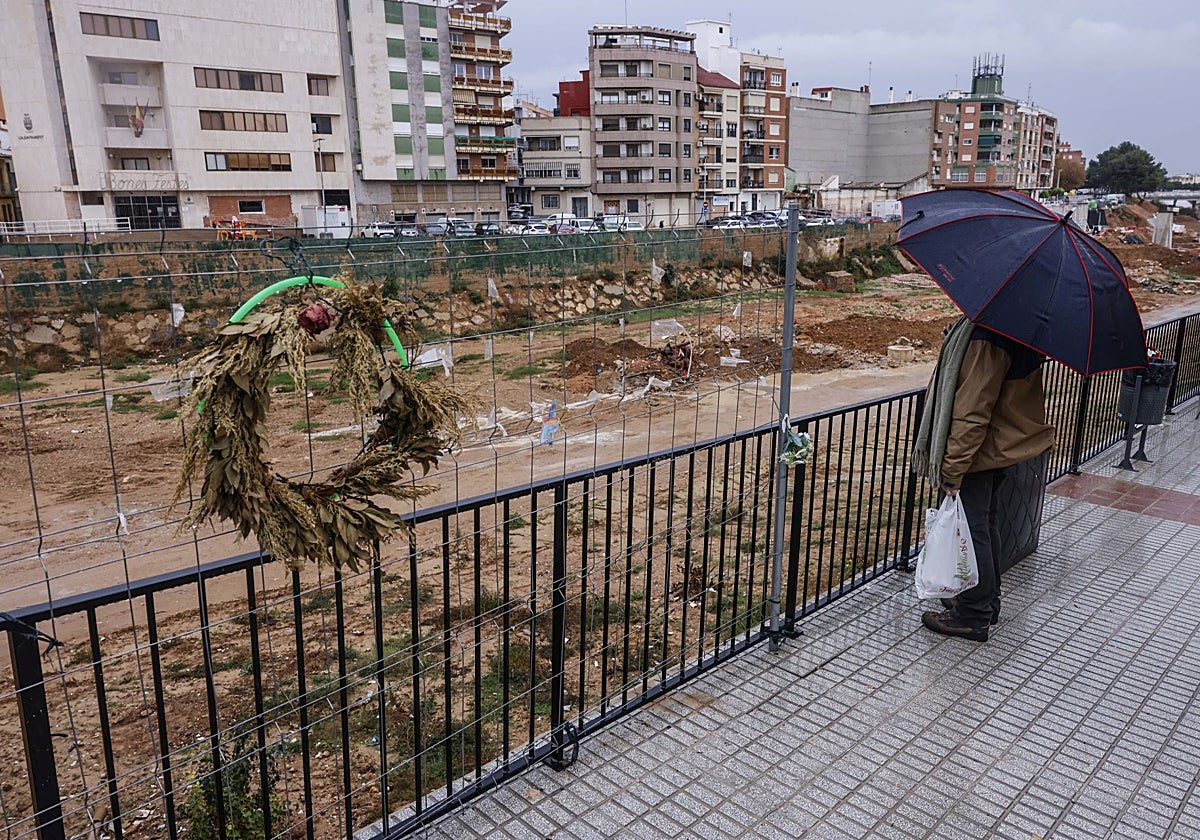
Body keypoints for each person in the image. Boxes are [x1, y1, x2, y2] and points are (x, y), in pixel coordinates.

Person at [912, 317, 1055, 642]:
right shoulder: (1014, 327)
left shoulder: (987, 336)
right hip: (998, 447)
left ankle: (973, 614)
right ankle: (986, 602)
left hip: (980, 452)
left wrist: (953, 468)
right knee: (984, 525)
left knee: (973, 529)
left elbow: (972, 412)